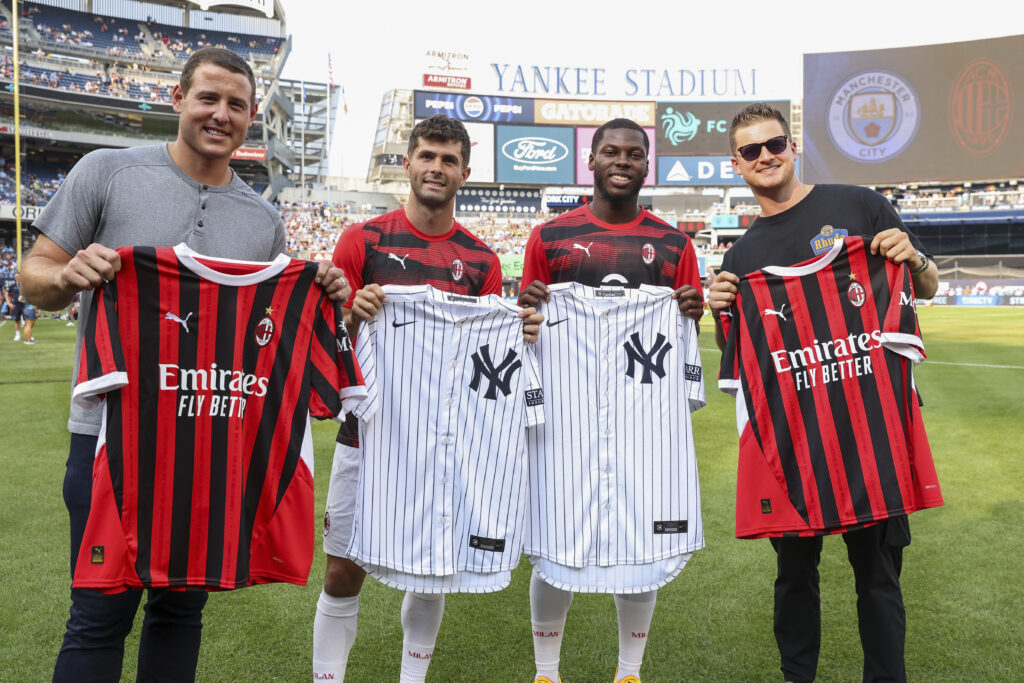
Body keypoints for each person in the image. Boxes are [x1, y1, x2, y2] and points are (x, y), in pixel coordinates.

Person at [20, 47, 349, 682]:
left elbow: (269, 336)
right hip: (108, 443)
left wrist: (327, 296)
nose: (220, 114)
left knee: (180, 614)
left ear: (251, 118)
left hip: (209, 446)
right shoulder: (107, 171)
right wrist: (67, 274)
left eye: (236, 105)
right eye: (208, 98)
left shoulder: (264, 222)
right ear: (177, 100)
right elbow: (36, 273)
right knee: (97, 616)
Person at [707, 102, 939, 683]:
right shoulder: (741, 259)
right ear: (736, 164)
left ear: (792, 147)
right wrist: (719, 311)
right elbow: (738, 360)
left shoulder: (859, 204)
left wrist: (915, 259)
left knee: (880, 577)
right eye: (751, 151)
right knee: (793, 577)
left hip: (869, 431)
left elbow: (925, 286)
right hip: (792, 442)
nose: (766, 156)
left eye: (775, 144)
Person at [313, 113, 542, 683]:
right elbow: (324, 327)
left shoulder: (484, 261)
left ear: (464, 172)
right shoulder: (363, 238)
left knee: (432, 567)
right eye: (427, 156)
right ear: (409, 163)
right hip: (367, 435)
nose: (436, 168)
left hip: (448, 442)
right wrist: (350, 309)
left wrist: (523, 331)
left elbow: (491, 355)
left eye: (448, 160)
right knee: (342, 569)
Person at [517, 118, 704, 683]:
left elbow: (689, 319)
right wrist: (529, 308)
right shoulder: (549, 237)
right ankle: (546, 672)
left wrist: (691, 309)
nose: (622, 161)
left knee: (641, 537)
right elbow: (527, 325)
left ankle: (630, 671)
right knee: (556, 534)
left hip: (642, 416)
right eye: (610, 152)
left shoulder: (675, 244)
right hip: (567, 413)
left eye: (633, 153)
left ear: (647, 165)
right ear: (592, 161)